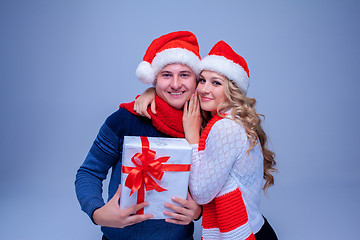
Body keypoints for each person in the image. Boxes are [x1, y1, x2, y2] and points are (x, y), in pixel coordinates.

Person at [135, 40, 278, 239]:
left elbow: (201, 194)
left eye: (216, 82)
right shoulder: (222, 118)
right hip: (254, 226)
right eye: (202, 80)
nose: (203, 89)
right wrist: (151, 91)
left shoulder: (225, 128)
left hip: (245, 232)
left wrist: (192, 139)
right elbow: (177, 91)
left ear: (232, 90)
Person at [75, 31, 202, 240]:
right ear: (154, 80)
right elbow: (89, 172)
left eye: (185, 75)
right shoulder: (125, 119)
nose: (176, 84)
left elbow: (215, 185)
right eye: (166, 75)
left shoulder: (207, 126)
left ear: (197, 80)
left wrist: (199, 212)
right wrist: (97, 212)